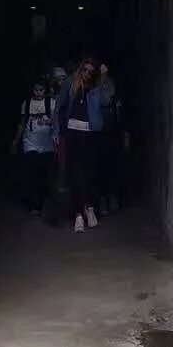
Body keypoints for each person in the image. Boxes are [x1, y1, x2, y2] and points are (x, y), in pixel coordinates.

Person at [53, 56, 108, 232]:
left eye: (91, 72)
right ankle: (78, 214)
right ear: (80, 68)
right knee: (74, 173)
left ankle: (88, 207)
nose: (87, 74)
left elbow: (106, 101)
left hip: (90, 133)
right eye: (85, 70)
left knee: (90, 172)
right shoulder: (70, 84)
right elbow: (60, 107)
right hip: (72, 132)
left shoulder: (96, 87)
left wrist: (103, 79)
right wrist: (57, 131)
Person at [12, 75, 56, 217]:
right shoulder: (27, 103)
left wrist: (51, 123)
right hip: (30, 142)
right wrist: (16, 141)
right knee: (32, 173)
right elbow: (22, 123)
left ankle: (41, 200)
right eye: (36, 90)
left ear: (45, 90)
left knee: (42, 173)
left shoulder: (51, 103)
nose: (38, 93)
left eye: (41, 90)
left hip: (47, 144)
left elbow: (58, 122)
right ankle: (34, 204)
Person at [95, 62, 123, 214]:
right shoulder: (94, 91)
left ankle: (112, 197)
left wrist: (125, 133)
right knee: (100, 168)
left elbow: (122, 114)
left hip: (113, 134)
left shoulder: (115, 93)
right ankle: (103, 201)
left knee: (114, 166)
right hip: (99, 135)